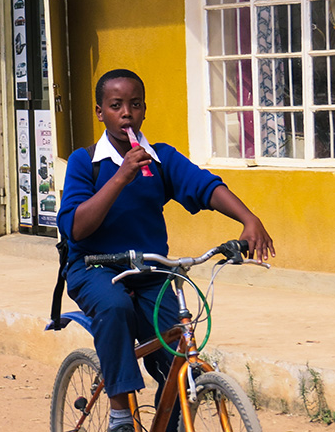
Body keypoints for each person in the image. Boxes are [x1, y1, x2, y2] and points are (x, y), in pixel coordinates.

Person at [57, 68, 275, 432]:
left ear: (144, 110)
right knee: (114, 307)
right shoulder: (86, 162)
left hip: (151, 270)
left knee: (176, 351)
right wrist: (121, 176)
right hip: (95, 267)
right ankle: (120, 415)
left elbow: (204, 186)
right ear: (100, 112)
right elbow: (77, 227)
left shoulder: (160, 159)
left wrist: (248, 218)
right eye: (115, 105)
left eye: (135, 104)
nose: (126, 113)